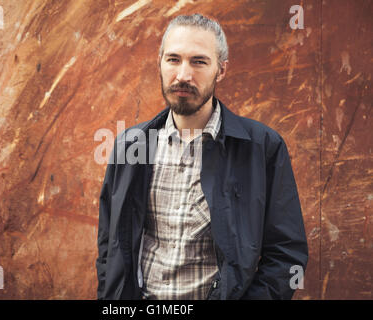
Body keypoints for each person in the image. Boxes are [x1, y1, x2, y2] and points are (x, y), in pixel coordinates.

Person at [96, 13, 308, 300]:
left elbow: (286, 255)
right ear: (160, 63)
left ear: (221, 70)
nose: (183, 75)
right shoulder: (131, 146)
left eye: (198, 61)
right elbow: (110, 247)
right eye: (173, 59)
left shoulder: (262, 147)